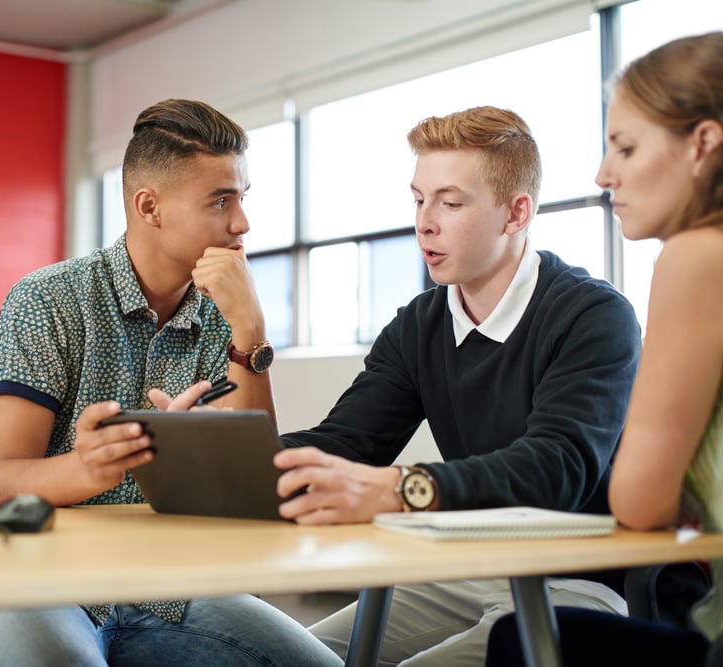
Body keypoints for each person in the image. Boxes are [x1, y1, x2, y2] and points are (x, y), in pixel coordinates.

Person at [0, 98, 341, 667]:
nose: (242, 222)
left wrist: (250, 332)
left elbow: (254, 492)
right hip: (32, 577)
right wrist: (88, 468)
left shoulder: (222, 312)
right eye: (220, 200)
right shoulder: (47, 299)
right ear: (149, 206)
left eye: (242, 197)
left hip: (162, 587)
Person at [271, 105, 643, 666]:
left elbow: (555, 468)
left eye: (450, 202)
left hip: (583, 582)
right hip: (467, 568)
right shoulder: (419, 324)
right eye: (419, 199)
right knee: (297, 657)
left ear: (516, 213)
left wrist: (400, 489)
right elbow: (347, 442)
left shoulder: (593, 316)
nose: (424, 222)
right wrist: (215, 451)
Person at [485, 31, 723, 667]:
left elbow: (641, 502)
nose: (602, 172)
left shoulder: (698, 256)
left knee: (523, 642)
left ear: (702, 143)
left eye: (626, 146)